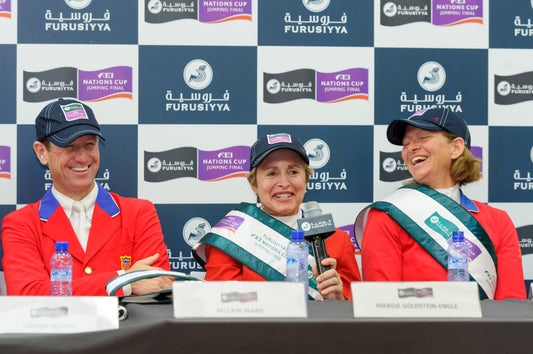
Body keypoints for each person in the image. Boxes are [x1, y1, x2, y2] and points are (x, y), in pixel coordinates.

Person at [1, 98, 173, 296]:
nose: (82, 158)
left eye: (89, 145)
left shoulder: (139, 213)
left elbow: (159, 286)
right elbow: (29, 294)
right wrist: (126, 282)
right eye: (70, 147)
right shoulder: (21, 224)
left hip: (130, 328)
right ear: (42, 153)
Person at [355, 108, 526, 300]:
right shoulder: (387, 215)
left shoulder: (498, 221)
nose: (411, 148)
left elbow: (511, 307)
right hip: (413, 330)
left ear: (456, 148)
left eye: (423, 137)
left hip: (483, 331)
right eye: (406, 143)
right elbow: (382, 303)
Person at [194, 133, 361, 300]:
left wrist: (337, 300)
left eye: (293, 171)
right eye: (272, 173)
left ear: (306, 180)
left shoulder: (339, 241)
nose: (284, 182)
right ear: (254, 184)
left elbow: (354, 316)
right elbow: (222, 307)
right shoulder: (231, 238)